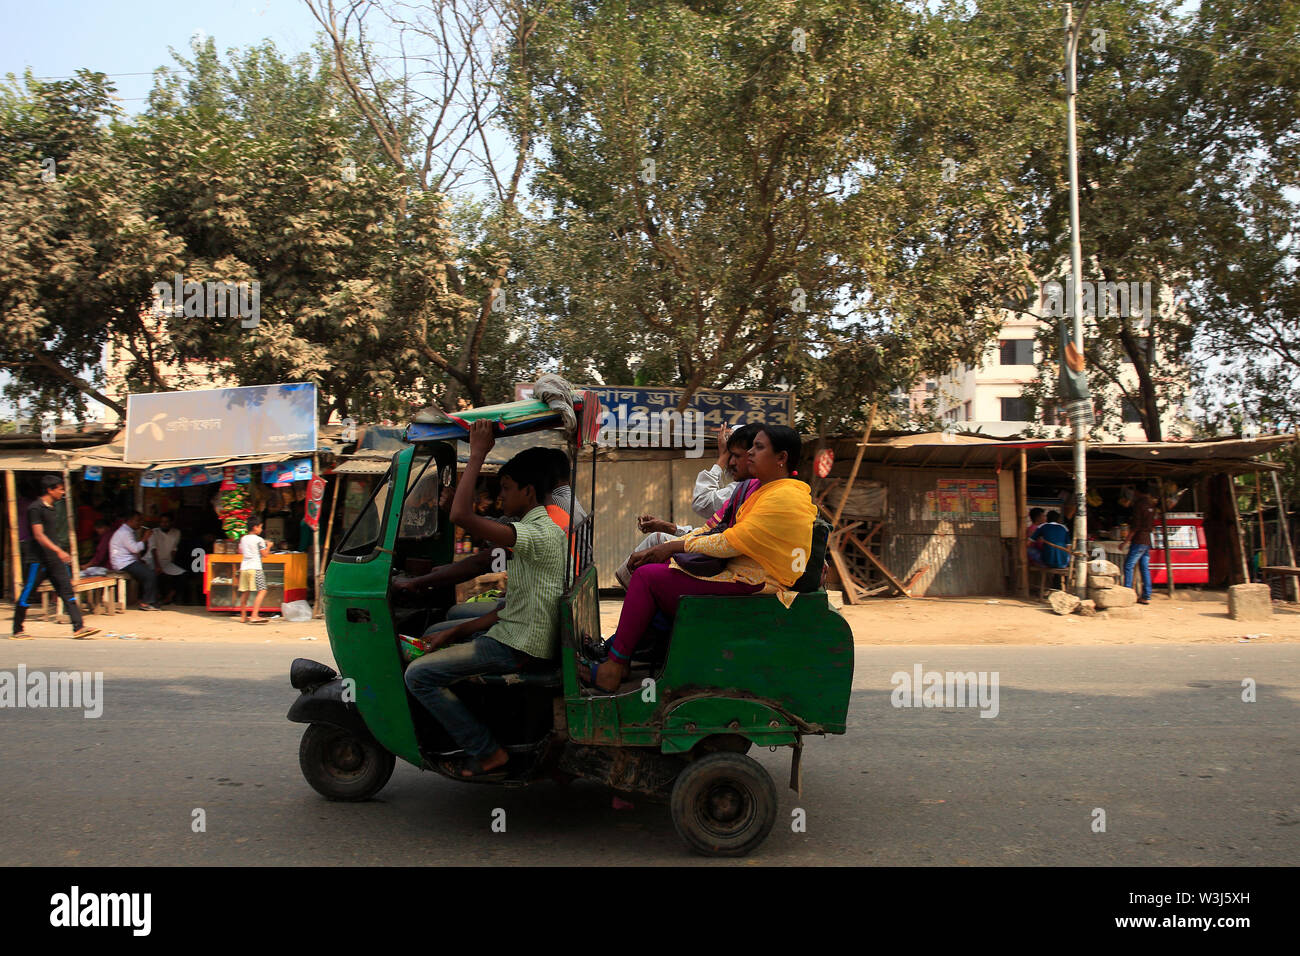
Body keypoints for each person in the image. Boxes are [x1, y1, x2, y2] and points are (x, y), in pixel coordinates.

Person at [583, 425, 816, 693]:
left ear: (781, 458)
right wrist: (671, 544)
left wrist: (673, 547)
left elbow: (731, 540)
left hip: (754, 581)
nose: (750, 453)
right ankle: (625, 654)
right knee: (655, 568)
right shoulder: (759, 488)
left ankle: (614, 667)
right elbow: (713, 528)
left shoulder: (783, 496)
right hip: (739, 572)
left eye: (758, 448)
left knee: (648, 578)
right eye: (748, 448)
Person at [404, 421, 566, 779]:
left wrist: (478, 452)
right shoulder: (536, 528)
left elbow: (462, 516)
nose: (502, 497)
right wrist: (453, 633)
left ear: (528, 491)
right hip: (518, 633)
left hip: (518, 647)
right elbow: (508, 609)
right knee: (440, 630)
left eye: (506, 489)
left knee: (418, 674)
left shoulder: (536, 534)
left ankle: (487, 752)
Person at [616, 423, 761, 587]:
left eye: (735, 455)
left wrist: (721, 459)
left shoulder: (748, 489)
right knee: (655, 545)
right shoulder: (742, 488)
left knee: (648, 570)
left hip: (731, 566)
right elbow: (710, 531)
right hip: (718, 553)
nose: (731, 462)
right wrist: (669, 529)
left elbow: (703, 504)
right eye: (730, 455)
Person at [11, 475, 100, 639]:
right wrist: (59, 551)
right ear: (49, 490)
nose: (63, 492)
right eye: (60, 489)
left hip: (54, 559)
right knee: (28, 593)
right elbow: (39, 535)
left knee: (67, 591)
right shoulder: (35, 508)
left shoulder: (52, 508)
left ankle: (78, 627)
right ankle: (17, 629)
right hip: (38, 559)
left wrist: (57, 553)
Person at [110, 512, 161, 611]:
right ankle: (146, 603)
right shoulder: (124, 533)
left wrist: (139, 560)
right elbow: (135, 549)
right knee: (149, 575)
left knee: (148, 572)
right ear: (130, 521)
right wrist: (145, 538)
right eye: (138, 520)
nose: (140, 523)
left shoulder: (127, 531)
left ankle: (151, 600)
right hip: (123, 563)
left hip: (126, 561)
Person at [1123, 481, 1157, 605]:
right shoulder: (1151, 505)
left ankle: (1127, 594)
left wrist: (1125, 542)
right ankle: (1146, 595)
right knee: (1144, 568)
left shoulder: (1139, 505)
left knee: (1128, 565)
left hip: (1139, 540)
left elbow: (1135, 526)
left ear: (1137, 492)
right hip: (1147, 540)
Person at [146, 513, 186, 605]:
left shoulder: (176, 532)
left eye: (166, 522)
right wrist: (157, 566)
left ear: (171, 522)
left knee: (182, 575)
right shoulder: (154, 532)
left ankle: (169, 597)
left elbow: (174, 549)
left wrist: (171, 563)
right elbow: (153, 549)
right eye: (162, 522)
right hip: (152, 560)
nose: (164, 524)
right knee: (159, 576)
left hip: (166, 561)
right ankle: (158, 597)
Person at [236, 518, 271, 623]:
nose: (261, 529)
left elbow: (240, 551)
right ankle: (254, 615)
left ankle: (243, 617)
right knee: (262, 590)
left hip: (244, 568)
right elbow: (265, 555)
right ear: (255, 527)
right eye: (260, 527)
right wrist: (269, 546)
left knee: (245, 592)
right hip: (255, 568)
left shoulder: (243, 539)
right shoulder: (259, 540)